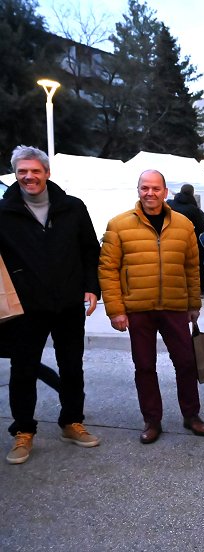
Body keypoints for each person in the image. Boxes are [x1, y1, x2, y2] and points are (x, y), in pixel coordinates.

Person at [0, 145, 101, 465]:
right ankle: (23, 431)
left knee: (71, 366)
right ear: (15, 174)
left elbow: (90, 250)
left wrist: (92, 288)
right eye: (22, 171)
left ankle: (72, 422)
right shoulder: (4, 212)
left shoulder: (72, 207)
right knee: (23, 369)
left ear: (47, 173)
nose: (29, 177)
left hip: (69, 302)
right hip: (25, 307)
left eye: (35, 171)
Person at [98, 169, 204, 445]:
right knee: (144, 366)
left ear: (165, 192)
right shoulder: (118, 225)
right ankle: (152, 420)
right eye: (145, 188)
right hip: (138, 308)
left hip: (175, 306)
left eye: (156, 188)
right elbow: (108, 269)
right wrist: (116, 310)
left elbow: (192, 267)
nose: (150, 193)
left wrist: (193, 303)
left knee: (186, 362)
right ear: (138, 190)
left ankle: (191, 415)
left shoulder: (184, 225)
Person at [166, 184, 204, 298]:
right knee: (197, 265)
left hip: (171, 241)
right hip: (192, 242)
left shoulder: (169, 204)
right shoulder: (193, 209)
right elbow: (201, 226)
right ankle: (200, 290)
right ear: (192, 193)